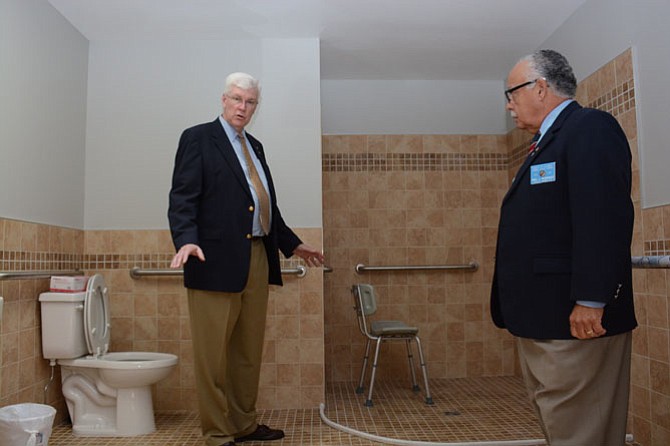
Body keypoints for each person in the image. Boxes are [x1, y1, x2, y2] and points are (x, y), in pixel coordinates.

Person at [168, 72, 325, 446]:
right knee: (213, 356)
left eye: (250, 102)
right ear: (223, 100)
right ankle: (218, 433)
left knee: (247, 350)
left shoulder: (254, 145)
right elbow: (182, 197)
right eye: (236, 99)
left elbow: (263, 204)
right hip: (211, 259)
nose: (242, 107)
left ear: (256, 106)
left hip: (257, 256)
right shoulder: (198, 138)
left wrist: (292, 244)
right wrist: (186, 240)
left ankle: (243, 424)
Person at [490, 50, 636, 446]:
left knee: (581, 428)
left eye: (511, 93)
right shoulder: (544, 144)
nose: (509, 104)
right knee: (563, 425)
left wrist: (591, 298)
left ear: (540, 88)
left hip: (576, 321)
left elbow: (603, 214)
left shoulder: (589, 128)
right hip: (544, 319)